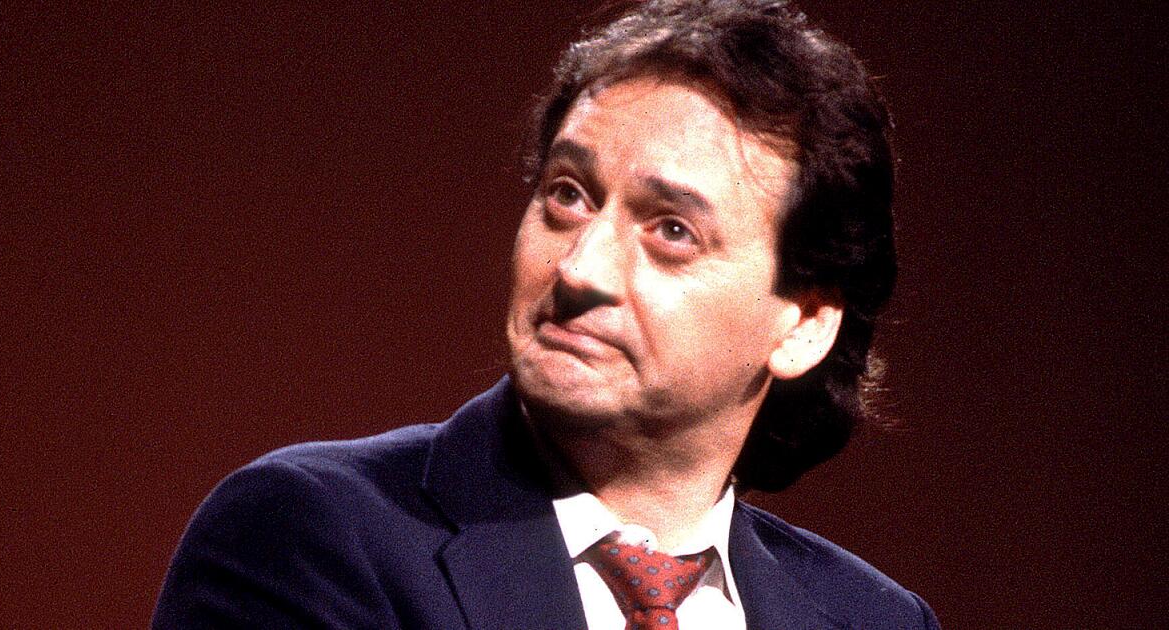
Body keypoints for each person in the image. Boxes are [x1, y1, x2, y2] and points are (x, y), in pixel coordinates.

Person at [153, 1, 939, 628]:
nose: (578, 269)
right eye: (568, 195)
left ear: (804, 324)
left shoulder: (875, 619)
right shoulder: (309, 537)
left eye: (671, 231)